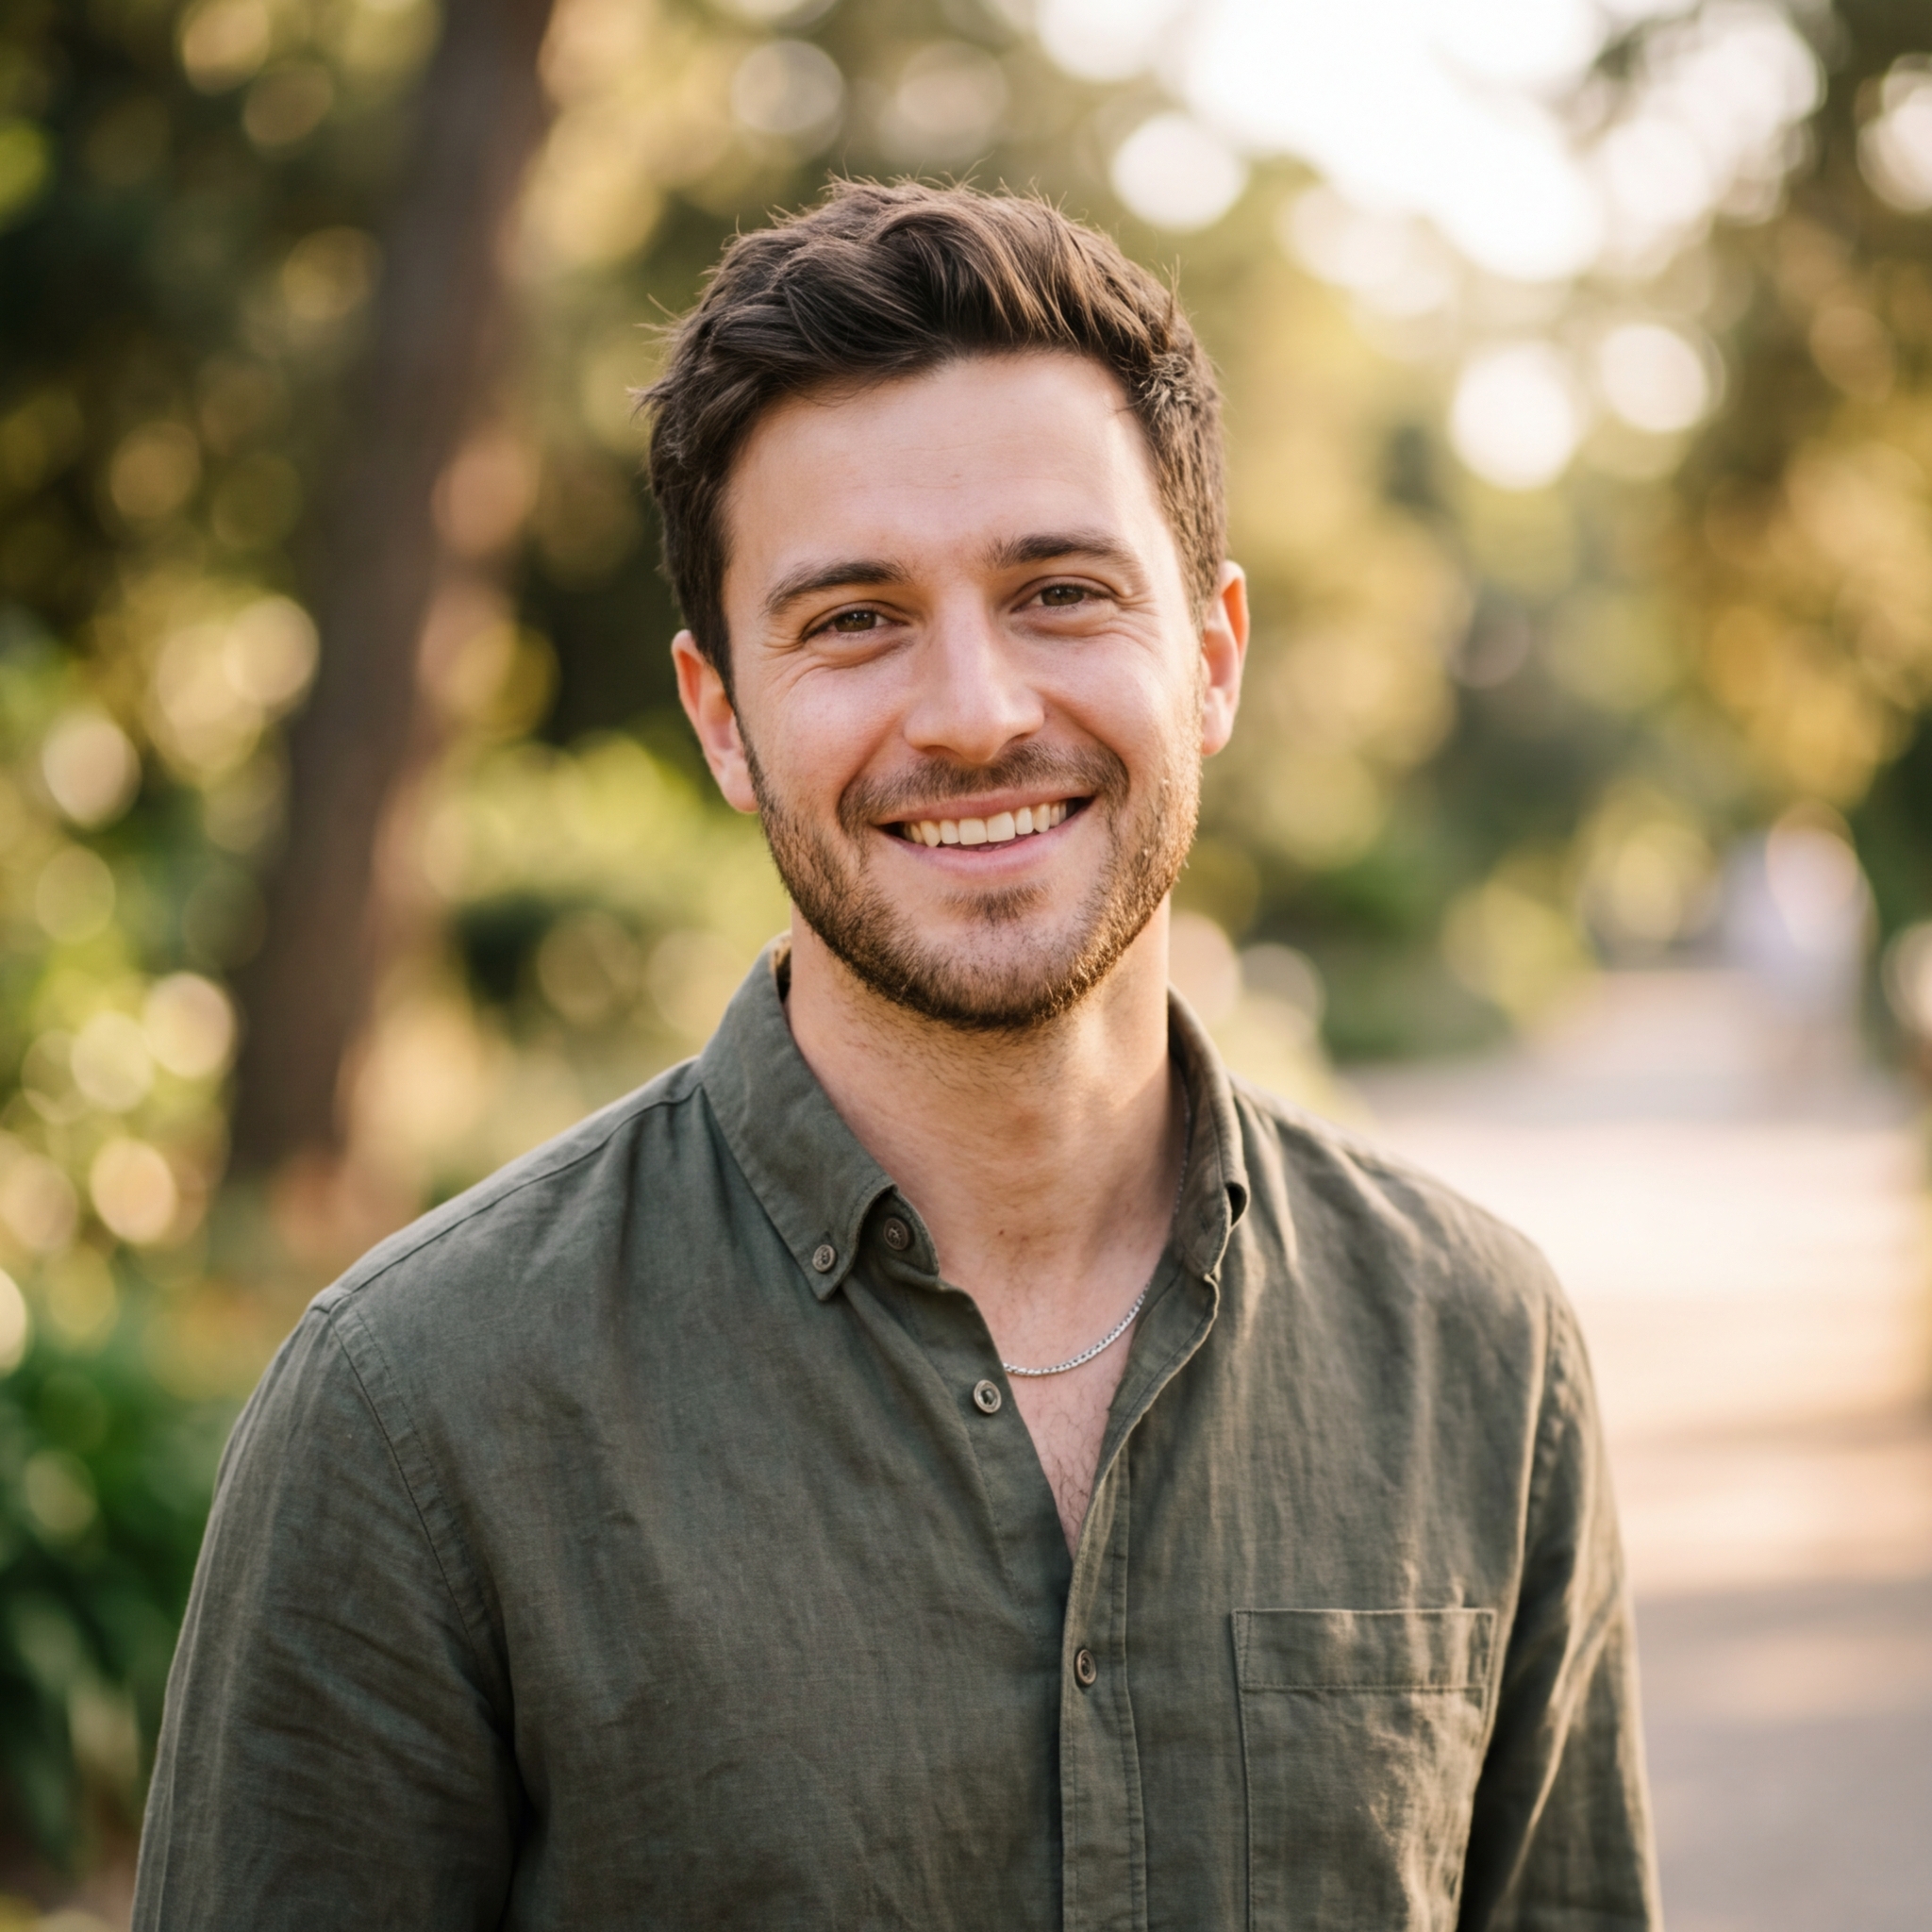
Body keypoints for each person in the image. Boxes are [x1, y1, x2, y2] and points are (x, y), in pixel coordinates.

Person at [133, 182, 1659, 1929]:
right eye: (853, 617)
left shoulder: (1480, 1355)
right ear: (723, 717)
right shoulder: (418, 1418)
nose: (974, 712)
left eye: (1061, 591)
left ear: (1214, 657)